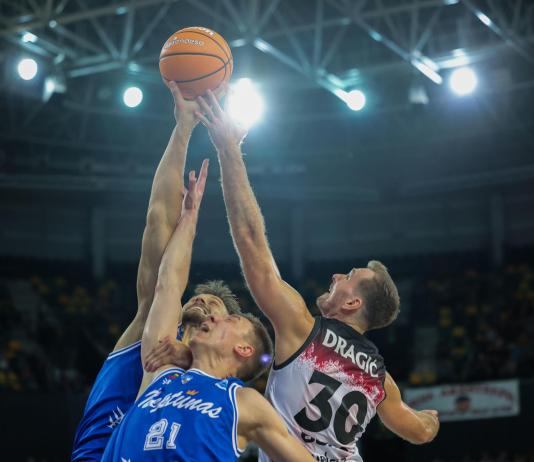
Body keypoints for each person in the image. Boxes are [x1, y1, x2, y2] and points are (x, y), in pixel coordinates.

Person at [196, 91, 441, 462]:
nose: (337, 273)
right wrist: (431, 420)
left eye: (349, 276)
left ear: (352, 302)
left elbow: (250, 240)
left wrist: (229, 149)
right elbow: (418, 432)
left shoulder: (301, 329)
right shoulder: (380, 379)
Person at [101, 160, 316, 462]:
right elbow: (168, 285)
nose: (213, 316)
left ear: (244, 349)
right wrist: (189, 217)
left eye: (231, 318)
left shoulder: (244, 402)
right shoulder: (161, 370)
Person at [71, 83, 239, 462]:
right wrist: (183, 129)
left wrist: (190, 360)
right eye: (198, 295)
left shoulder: (225, 380)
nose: (200, 300)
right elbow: (158, 221)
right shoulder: (156, 319)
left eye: (212, 304)